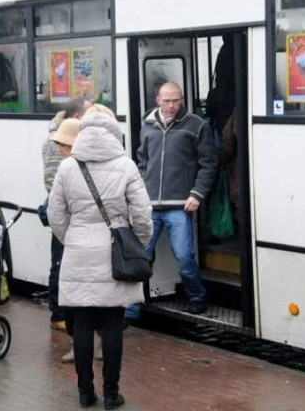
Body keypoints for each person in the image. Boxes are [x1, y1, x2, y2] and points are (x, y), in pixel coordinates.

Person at [48, 112, 153, 410]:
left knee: (82, 322)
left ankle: (84, 393)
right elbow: (143, 215)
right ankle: (111, 394)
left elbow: (56, 215)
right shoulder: (125, 165)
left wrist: (74, 238)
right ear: (113, 133)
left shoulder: (68, 167)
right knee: (112, 323)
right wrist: (135, 245)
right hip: (113, 252)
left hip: (78, 249)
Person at [132, 81, 217, 317]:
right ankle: (131, 305)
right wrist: (139, 194)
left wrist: (197, 194)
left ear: (182, 100)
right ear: (157, 100)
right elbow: (142, 163)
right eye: (167, 101)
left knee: (185, 258)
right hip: (149, 206)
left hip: (179, 206)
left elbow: (209, 164)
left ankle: (197, 297)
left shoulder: (197, 126)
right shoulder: (147, 125)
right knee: (141, 257)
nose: (171, 105)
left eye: (176, 100)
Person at [42, 97, 92, 331]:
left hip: (71, 211)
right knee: (60, 262)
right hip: (65, 210)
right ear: (77, 118)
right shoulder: (56, 142)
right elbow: (54, 182)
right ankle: (59, 313)